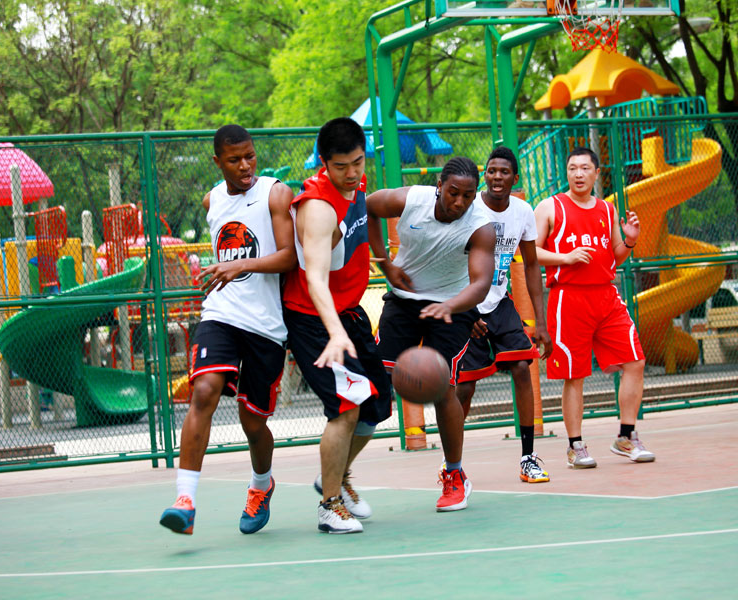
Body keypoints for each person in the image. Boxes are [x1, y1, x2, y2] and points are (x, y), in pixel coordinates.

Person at [159, 124, 296, 535]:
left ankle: (260, 485)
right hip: (221, 313)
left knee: (252, 423)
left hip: (266, 325)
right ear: (217, 162)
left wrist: (239, 264)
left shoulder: (275, 193)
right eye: (234, 160)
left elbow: (289, 256)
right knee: (203, 391)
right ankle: (185, 501)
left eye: (250, 156)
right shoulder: (212, 200)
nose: (245, 166)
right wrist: (229, 267)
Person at [367, 156, 496, 512]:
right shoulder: (410, 201)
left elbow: (482, 283)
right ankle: (341, 474)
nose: (460, 202)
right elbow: (368, 208)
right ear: (439, 187)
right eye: (453, 193)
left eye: (468, 196)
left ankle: (454, 474)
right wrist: (385, 262)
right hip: (405, 299)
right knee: (376, 383)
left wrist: (451, 307)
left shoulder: (481, 226)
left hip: (453, 305)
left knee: (443, 387)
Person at [282, 117, 392, 534]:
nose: (351, 173)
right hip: (313, 319)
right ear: (324, 163)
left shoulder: (357, 187)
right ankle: (329, 506)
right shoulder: (318, 208)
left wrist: (386, 262)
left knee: (378, 403)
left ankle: (334, 474)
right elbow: (313, 279)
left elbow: (368, 225)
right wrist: (335, 331)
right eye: (341, 166)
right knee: (346, 408)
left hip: (347, 313)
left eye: (358, 163)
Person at [533, 146, 655, 469]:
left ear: (596, 173)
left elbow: (614, 254)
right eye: (573, 168)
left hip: (605, 295)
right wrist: (565, 258)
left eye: (585, 168)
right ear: (567, 172)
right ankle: (576, 446)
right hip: (568, 298)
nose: (578, 174)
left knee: (636, 361)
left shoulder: (606, 210)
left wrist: (628, 240)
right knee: (575, 375)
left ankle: (626, 436)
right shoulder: (550, 207)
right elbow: (529, 252)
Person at [455, 146, 554, 483]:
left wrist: (540, 323)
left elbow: (531, 264)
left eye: (504, 172)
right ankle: (451, 464)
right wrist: (467, 313)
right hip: (467, 306)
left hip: (499, 303)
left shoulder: (523, 211)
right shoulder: (469, 209)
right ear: (486, 174)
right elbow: (452, 264)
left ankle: (528, 457)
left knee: (523, 368)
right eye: (491, 170)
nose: (497, 177)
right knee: (464, 390)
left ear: (514, 178)